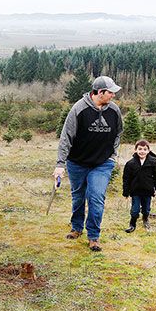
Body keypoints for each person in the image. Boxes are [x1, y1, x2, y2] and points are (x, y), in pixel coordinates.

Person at [53, 75, 123, 252]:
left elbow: (118, 133)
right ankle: (77, 227)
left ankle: (93, 236)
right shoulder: (79, 109)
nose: (113, 95)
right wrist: (60, 164)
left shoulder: (114, 110)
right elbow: (65, 138)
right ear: (100, 93)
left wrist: (112, 155)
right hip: (77, 163)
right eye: (110, 92)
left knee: (96, 197)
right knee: (78, 197)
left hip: (102, 163)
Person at [122, 139, 156, 233]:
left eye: (145, 149)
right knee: (135, 210)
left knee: (146, 209)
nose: (142, 151)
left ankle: (145, 219)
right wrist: (126, 191)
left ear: (148, 151)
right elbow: (126, 178)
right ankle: (132, 224)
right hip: (135, 190)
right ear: (135, 150)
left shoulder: (153, 162)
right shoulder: (130, 163)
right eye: (140, 149)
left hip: (148, 191)